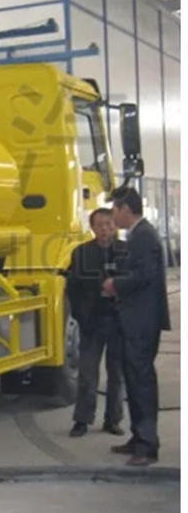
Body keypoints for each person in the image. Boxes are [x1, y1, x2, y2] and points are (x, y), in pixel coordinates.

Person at [102, 187, 171, 466]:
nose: (112, 216)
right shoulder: (138, 234)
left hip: (142, 321)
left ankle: (147, 445)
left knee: (141, 383)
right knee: (134, 380)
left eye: (114, 210)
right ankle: (138, 436)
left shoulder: (144, 236)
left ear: (126, 210)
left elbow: (145, 275)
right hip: (134, 319)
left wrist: (115, 284)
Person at [66, 208, 126, 438]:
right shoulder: (81, 253)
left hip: (119, 322)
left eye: (109, 224)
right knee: (87, 374)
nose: (105, 229)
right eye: (100, 225)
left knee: (117, 373)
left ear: (115, 225)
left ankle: (113, 420)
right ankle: (82, 420)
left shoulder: (125, 251)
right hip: (92, 322)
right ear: (92, 228)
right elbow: (73, 288)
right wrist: (81, 315)